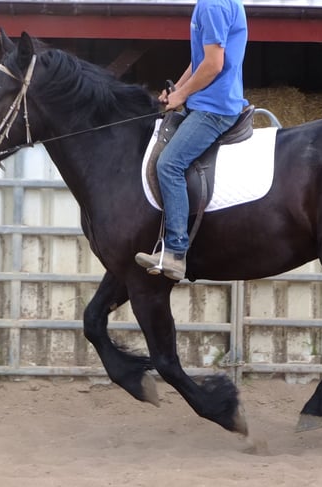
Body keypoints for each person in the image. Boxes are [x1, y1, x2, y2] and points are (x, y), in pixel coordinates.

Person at [135, 0, 248, 281]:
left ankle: (175, 252)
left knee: (169, 164)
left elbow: (213, 64)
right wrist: (177, 90)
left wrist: (183, 96)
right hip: (205, 101)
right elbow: (199, 61)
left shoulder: (212, 5)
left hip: (215, 108)